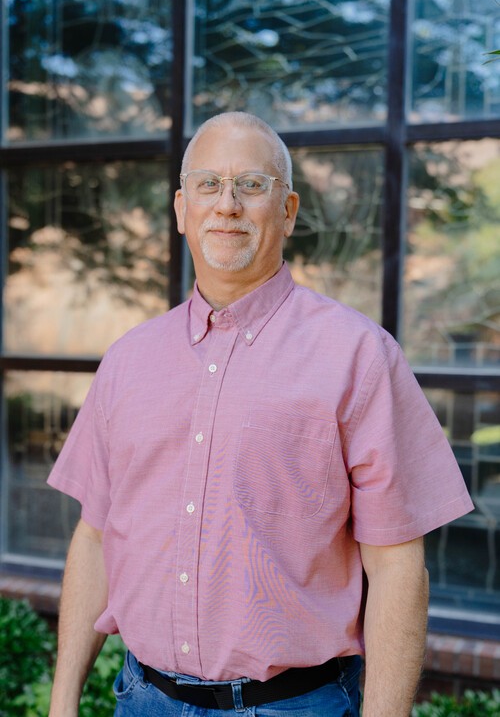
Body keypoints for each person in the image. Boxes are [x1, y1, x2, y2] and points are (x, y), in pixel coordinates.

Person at [47, 111, 473, 717]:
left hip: (294, 705)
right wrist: (61, 701)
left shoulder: (358, 356)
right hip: (143, 700)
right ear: (181, 209)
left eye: (251, 185)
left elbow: (398, 566)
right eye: (208, 185)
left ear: (289, 211)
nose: (227, 205)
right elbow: (94, 536)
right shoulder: (127, 361)